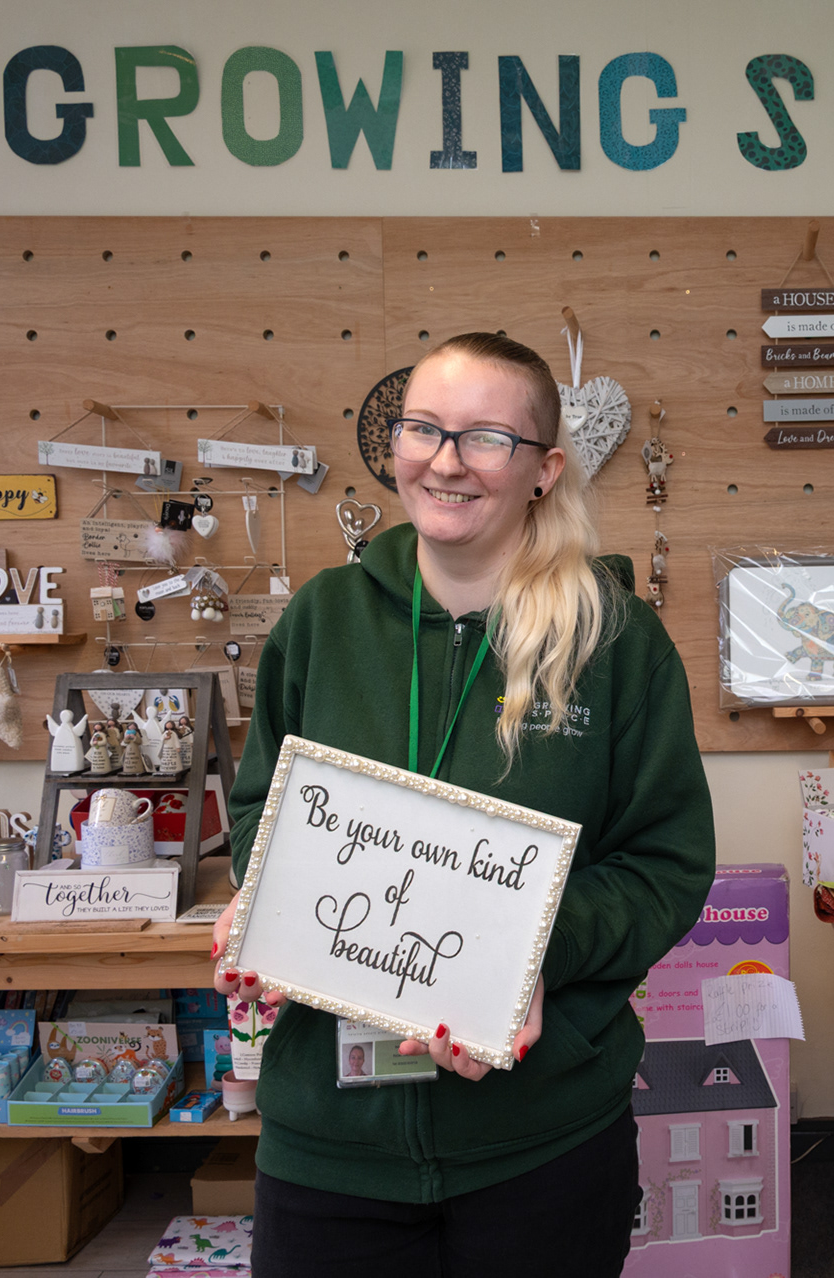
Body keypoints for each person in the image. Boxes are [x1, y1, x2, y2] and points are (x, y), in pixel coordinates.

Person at [210, 332, 715, 1276]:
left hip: (542, 1140)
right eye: (423, 428)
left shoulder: (617, 640)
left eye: (485, 437)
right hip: (331, 1146)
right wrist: (268, 886)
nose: (445, 461)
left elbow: (664, 869)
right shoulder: (321, 619)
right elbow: (257, 811)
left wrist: (526, 958)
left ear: (544, 469)